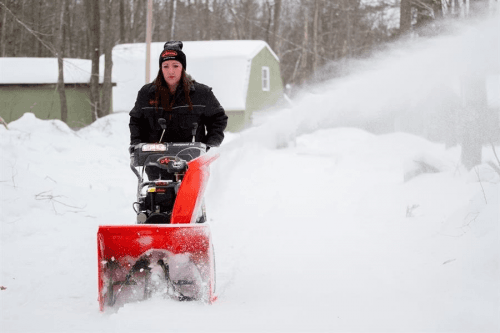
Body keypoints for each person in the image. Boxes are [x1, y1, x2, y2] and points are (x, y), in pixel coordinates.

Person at [129, 40, 228, 149]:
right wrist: (136, 144)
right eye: (165, 66)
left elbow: (219, 119)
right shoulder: (146, 94)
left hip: (192, 161)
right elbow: (136, 122)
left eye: (175, 66)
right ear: (161, 69)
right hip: (154, 160)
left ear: (183, 68)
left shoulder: (201, 93)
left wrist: (210, 145)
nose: (170, 71)